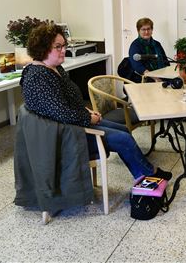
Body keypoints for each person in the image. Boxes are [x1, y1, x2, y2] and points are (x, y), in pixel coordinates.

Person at [20, 23, 172, 182]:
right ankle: (148, 174)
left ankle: (142, 173)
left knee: (123, 129)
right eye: (58, 47)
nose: (64, 50)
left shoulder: (55, 68)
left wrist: (87, 111)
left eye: (64, 45)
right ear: (42, 48)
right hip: (65, 136)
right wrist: (87, 118)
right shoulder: (38, 77)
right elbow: (60, 113)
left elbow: (66, 103)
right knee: (123, 138)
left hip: (74, 123)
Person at [128, 17, 169, 82]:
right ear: (138, 31)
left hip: (161, 75)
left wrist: (168, 75)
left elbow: (165, 62)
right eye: (143, 29)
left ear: (152, 30)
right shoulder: (135, 45)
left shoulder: (157, 44)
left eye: (148, 29)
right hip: (145, 78)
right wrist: (155, 78)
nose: (146, 32)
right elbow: (138, 66)